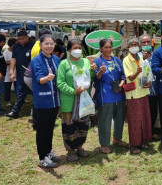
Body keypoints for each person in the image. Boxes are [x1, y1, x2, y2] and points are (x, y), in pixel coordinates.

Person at [56, 39, 97, 161]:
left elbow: (91, 78)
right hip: (69, 101)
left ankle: (80, 147)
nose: (77, 50)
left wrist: (94, 70)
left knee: (83, 125)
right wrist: (74, 91)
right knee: (69, 127)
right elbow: (60, 82)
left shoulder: (85, 62)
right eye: (74, 48)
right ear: (69, 50)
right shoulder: (64, 64)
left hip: (84, 101)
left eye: (79, 47)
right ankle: (70, 150)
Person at [30, 34, 61, 168]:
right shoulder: (36, 60)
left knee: (50, 128)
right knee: (42, 130)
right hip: (43, 101)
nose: (49, 46)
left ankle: (48, 152)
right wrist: (47, 78)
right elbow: (39, 79)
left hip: (55, 101)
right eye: (46, 44)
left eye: (51, 44)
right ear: (41, 45)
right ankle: (42, 158)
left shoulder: (56, 59)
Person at [93, 39, 127, 154]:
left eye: (110, 47)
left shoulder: (116, 60)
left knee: (119, 118)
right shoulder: (97, 61)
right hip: (106, 95)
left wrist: (121, 85)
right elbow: (95, 78)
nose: (108, 49)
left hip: (119, 94)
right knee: (105, 120)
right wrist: (101, 71)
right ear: (101, 48)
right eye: (105, 47)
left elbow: (123, 75)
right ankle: (104, 144)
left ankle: (117, 138)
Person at [123, 36, 152, 154]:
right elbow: (130, 77)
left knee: (144, 117)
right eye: (132, 45)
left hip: (143, 91)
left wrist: (147, 81)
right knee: (134, 119)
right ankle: (134, 145)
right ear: (128, 47)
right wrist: (137, 72)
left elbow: (145, 71)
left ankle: (142, 141)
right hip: (133, 94)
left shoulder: (141, 57)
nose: (134, 47)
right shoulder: (126, 60)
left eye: (136, 45)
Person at [7, 31, 34, 118]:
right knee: (21, 93)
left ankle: (34, 111)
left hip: (32, 74)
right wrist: (11, 71)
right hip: (21, 74)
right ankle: (15, 112)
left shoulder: (32, 45)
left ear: (27, 37)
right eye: (19, 39)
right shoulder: (16, 46)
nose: (21, 41)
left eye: (23, 39)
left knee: (35, 93)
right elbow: (13, 59)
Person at [140, 34, 160, 140]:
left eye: (148, 42)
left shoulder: (154, 55)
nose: (146, 44)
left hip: (154, 90)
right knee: (143, 113)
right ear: (140, 44)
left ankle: (151, 132)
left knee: (153, 112)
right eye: (144, 42)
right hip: (142, 90)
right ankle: (143, 134)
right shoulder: (137, 56)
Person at [3, 38, 17, 107]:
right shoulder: (6, 52)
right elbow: (4, 62)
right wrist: (12, 62)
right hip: (8, 73)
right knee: (7, 88)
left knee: (18, 87)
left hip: (16, 72)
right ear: (12, 45)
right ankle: (7, 101)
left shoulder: (16, 51)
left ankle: (20, 99)